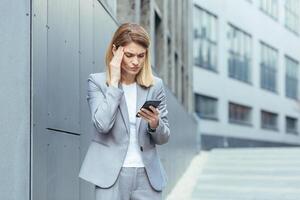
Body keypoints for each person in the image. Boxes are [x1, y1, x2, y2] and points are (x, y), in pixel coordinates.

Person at [78, 22, 170, 200]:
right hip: (110, 176)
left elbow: (164, 137)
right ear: (115, 51)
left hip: (147, 177)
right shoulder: (97, 82)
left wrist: (155, 123)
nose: (136, 62)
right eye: (129, 55)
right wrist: (114, 84)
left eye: (141, 56)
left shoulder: (155, 85)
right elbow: (102, 125)